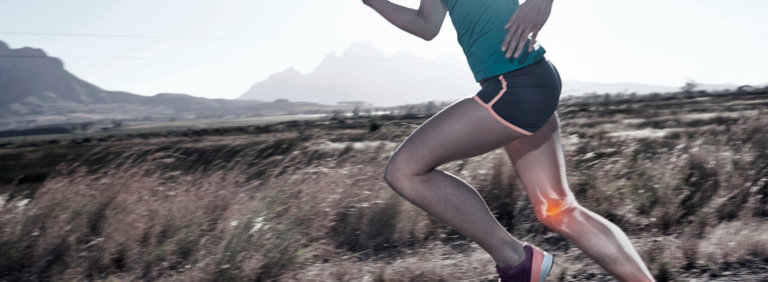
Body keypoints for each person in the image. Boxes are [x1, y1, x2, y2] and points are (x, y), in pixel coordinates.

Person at [363, 0, 655, 281]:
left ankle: (516, 260)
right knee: (559, 210)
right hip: (525, 82)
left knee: (405, 171)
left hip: (514, 85)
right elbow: (426, 24)